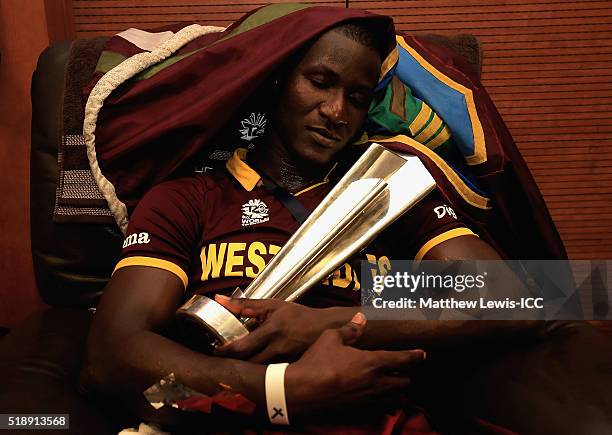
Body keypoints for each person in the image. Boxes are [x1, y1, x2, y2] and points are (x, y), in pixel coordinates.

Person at [80, 16, 542, 432]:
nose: (337, 112)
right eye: (320, 82)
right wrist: (279, 393)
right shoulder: (190, 199)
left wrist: (329, 322)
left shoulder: (391, 197)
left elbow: (522, 300)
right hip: (233, 412)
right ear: (277, 82)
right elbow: (111, 360)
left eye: (357, 98)